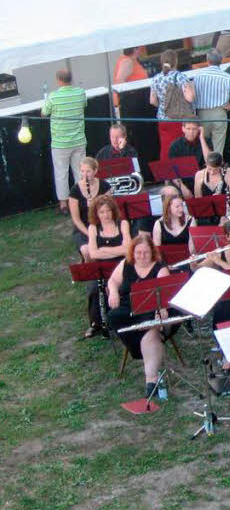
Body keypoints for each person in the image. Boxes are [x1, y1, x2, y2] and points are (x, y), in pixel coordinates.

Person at [106, 234, 177, 397]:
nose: (142, 256)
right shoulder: (126, 263)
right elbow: (112, 281)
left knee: (151, 328)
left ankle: (150, 382)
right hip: (128, 308)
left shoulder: (160, 268)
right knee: (113, 317)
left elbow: (163, 295)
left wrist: (162, 308)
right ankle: (144, 348)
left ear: (152, 252)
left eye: (145, 252)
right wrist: (114, 292)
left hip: (150, 309)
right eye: (138, 252)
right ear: (133, 252)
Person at [83, 194, 131, 337]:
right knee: (93, 289)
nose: (106, 215)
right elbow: (93, 254)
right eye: (102, 212)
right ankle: (96, 323)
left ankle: (122, 318)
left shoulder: (123, 224)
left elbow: (128, 250)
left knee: (123, 287)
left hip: (121, 266)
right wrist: (116, 250)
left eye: (108, 211)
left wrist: (103, 250)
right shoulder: (93, 228)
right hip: (101, 267)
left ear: (113, 211)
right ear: (96, 214)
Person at [42, 68, 87, 214]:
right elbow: (84, 106)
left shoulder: (53, 97)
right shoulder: (80, 93)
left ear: (58, 80)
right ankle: (81, 200)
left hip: (60, 143)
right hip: (79, 140)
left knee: (61, 173)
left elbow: (44, 113)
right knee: (80, 172)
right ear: (71, 79)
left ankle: (63, 205)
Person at [192, 49, 230, 155]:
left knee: (203, 143)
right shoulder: (226, 77)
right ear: (221, 60)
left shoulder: (198, 76)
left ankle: (205, 168)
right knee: (218, 145)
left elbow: (192, 96)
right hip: (220, 112)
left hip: (202, 113)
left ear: (207, 60)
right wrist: (229, 107)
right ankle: (217, 167)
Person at [150, 49, 196, 159]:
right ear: (176, 61)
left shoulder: (156, 78)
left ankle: (167, 173)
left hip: (163, 119)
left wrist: (163, 106)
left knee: (166, 148)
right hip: (178, 119)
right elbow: (189, 98)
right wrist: (192, 88)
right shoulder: (180, 77)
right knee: (180, 148)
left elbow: (152, 101)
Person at [69, 157, 112, 259]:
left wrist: (95, 205)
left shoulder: (105, 186)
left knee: (104, 250)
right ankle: (89, 272)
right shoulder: (75, 190)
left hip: (102, 225)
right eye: (82, 171)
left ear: (95, 171)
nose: (85, 175)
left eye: (88, 171)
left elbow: (110, 211)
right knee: (87, 251)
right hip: (83, 228)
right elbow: (76, 219)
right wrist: (89, 234)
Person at [193, 152, 230, 223]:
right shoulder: (199, 175)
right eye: (209, 169)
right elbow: (198, 198)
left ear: (221, 166)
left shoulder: (228, 172)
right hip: (207, 210)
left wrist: (221, 200)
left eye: (216, 170)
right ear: (206, 165)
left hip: (224, 209)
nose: (212, 172)